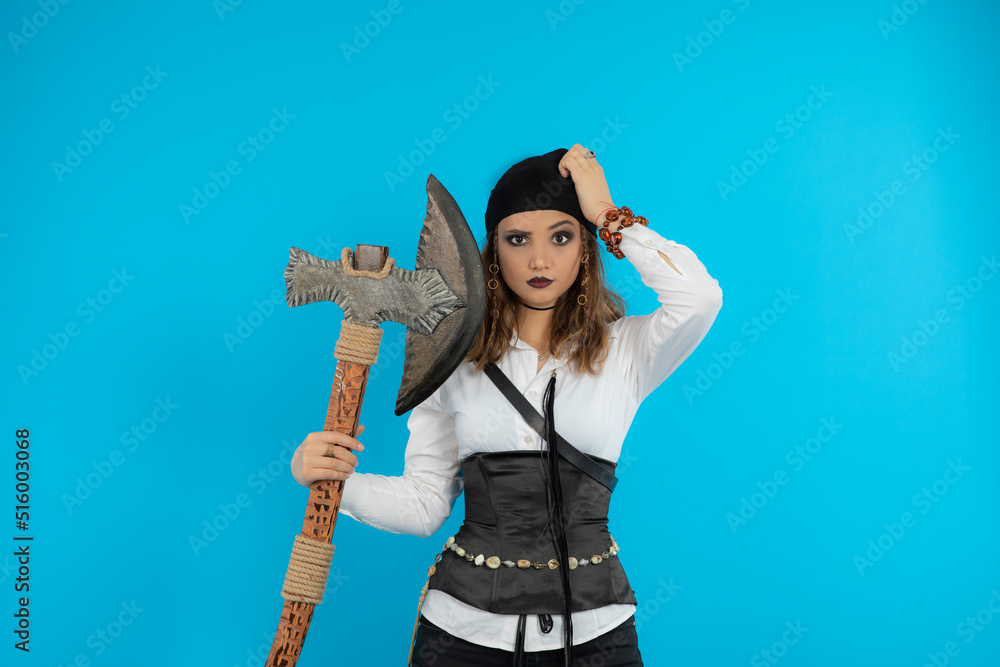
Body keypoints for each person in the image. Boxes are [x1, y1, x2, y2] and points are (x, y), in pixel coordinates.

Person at [290, 145, 724, 666]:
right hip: (462, 636)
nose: (540, 260)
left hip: (597, 635)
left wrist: (607, 215)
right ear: (493, 252)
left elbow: (699, 298)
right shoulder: (453, 365)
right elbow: (425, 505)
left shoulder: (626, 352)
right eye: (518, 239)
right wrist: (334, 481)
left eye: (561, 237)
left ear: (586, 249)